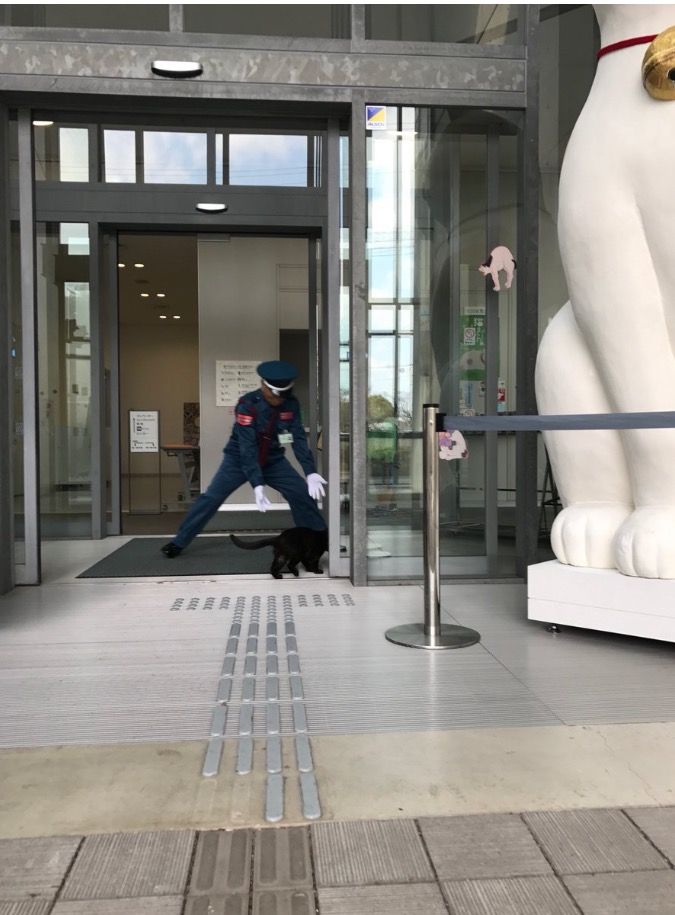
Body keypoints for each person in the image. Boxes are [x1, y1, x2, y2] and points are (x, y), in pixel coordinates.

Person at [161, 360, 327, 558]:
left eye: (284, 394)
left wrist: (310, 472)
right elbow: (247, 449)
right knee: (211, 497)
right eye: (276, 394)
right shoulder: (247, 404)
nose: (280, 399)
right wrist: (257, 484)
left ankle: (321, 541)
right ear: (264, 385)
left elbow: (297, 438)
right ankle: (179, 542)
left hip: (273, 461)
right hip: (238, 460)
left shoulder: (291, 403)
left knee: (301, 493)